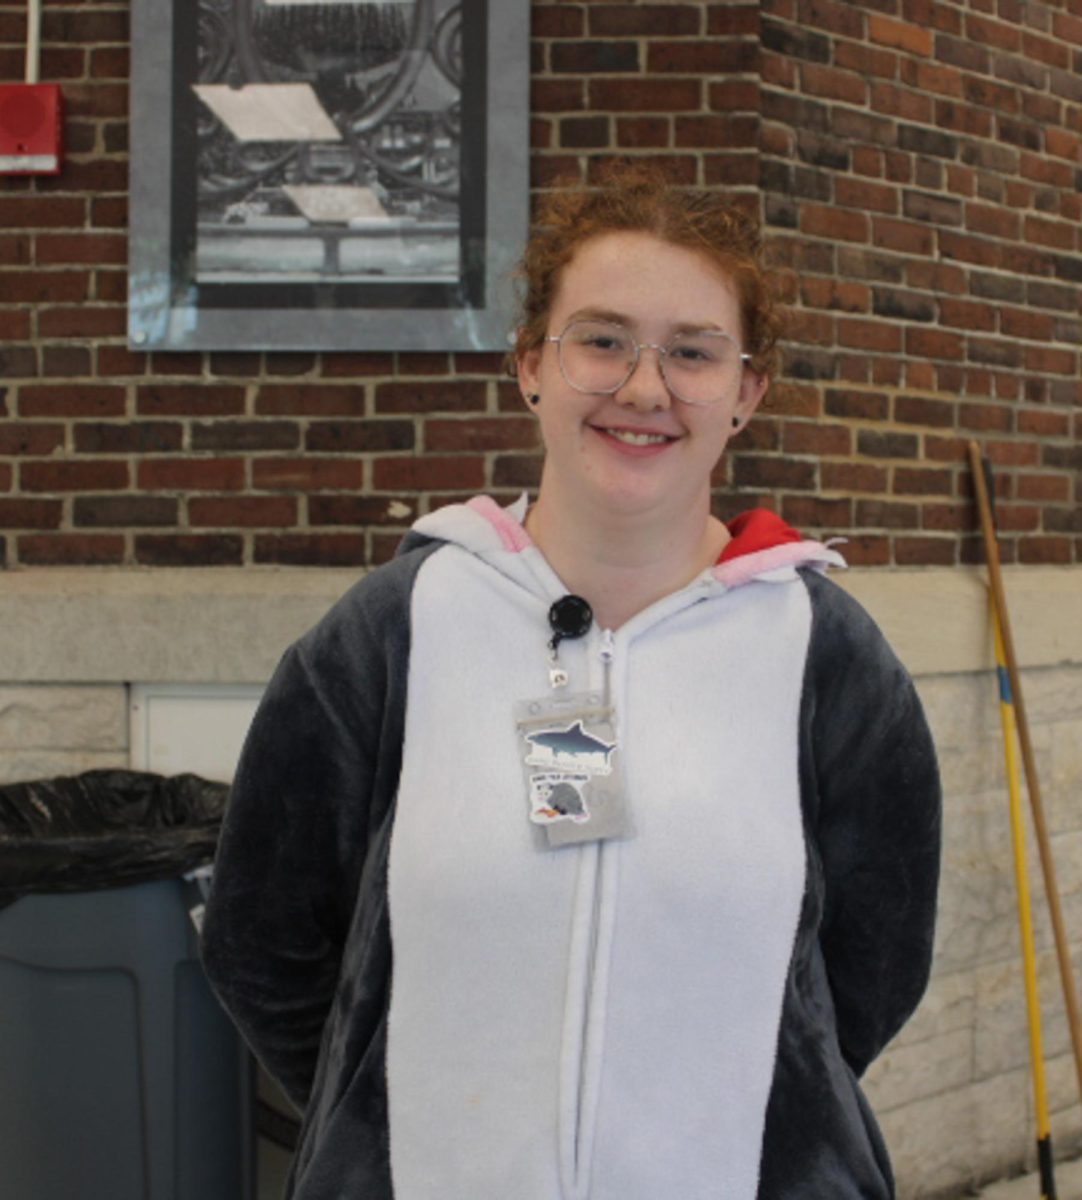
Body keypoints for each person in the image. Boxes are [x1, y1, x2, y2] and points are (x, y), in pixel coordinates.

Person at [202, 168, 941, 1199]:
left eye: (692, 352)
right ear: (530, 366)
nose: (645, 388)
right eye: (602, 340)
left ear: (747, 390)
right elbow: (262, 941)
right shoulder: (389, 635)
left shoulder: (826, 657)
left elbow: (874, 967)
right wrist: (380, 1124)